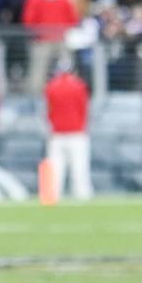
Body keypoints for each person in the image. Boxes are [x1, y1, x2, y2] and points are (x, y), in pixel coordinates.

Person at [44, 61, 92, 201]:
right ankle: (82, 196)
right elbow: (83, 109)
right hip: (76, 133)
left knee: (56, 169)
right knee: (79, 168)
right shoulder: (79, 86)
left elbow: (49, 111)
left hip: (57, 134)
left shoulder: (51, 87)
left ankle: (52, 196)